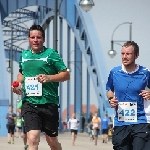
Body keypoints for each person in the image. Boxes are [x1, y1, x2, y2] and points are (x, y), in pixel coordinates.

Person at [12, 24, 70, 150]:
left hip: (49, 103)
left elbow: (66, 75)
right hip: (30, 103)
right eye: (32, 37)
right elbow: (22, 73)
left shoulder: (51, 54)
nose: (35, 40)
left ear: (43, 39)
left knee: (52, 142)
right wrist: (17, 83)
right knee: (33, 139)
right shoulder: (24, 55)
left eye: (38, 37)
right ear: (29, 39)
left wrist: (49, 78)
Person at [106, 41, 150, 150]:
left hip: (141, 121)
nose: (124, 57)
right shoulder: (114, 72)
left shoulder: (145, 73)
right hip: (121, 123)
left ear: (136, 55)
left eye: (128, 54)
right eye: (122, 54)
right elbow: (109, 90)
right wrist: (111, 99)